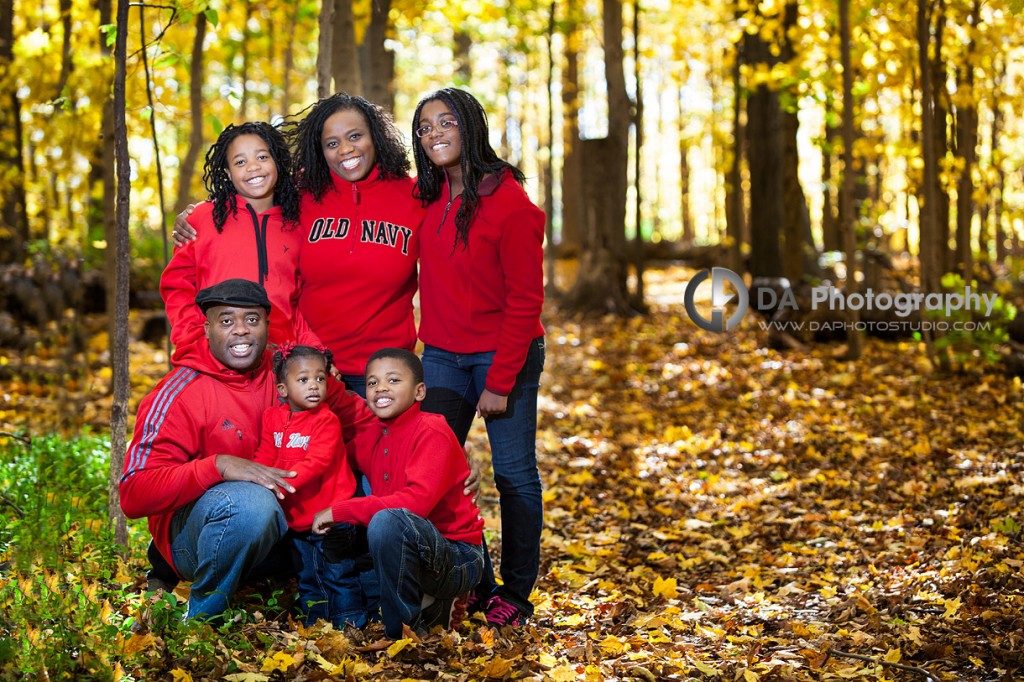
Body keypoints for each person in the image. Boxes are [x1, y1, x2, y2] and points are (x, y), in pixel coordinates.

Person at [120, 279, 371, 621]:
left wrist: (431, 445)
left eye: (252, 320)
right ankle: (203, 619)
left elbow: (365, 422)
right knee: (251, 502)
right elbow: (133, 494)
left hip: (290, 524)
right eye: (226, 321)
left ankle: (369, 600)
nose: (241, 331)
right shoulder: (178, 393)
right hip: (198, 537)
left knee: (371, 488)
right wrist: (218, 466)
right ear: (206, 328)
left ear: (267, 325)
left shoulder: (289, 372)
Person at [173, 94, 423, 397]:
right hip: (302, 368)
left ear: (376, 136)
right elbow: (251, 203)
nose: (345, 149)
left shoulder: (414, 196)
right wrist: (195, 215)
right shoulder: (303, 196)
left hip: (383, 369)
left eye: (355, 136)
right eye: (332, 143)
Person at [411, 88, 546, 627]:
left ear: (470, 127)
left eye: (446, 122)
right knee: (434, 470)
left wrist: (500, 379)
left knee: (514, 476)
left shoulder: (510, 203)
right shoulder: (427, 196)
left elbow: (525, 301)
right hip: (442, 355)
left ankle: (515, 593)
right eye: (424, 127)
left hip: (503, 354)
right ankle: (476, 581)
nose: (434, 133)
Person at [312, 348, 484, 639]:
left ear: (419, 392)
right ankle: (430, 606)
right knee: (375, 529)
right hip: (418, 550)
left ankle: (400, 636)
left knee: (386, 521)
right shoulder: (371, 439)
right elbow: (332, 457)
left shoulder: (433, 430)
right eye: (372, 382)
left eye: (393, 380)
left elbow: (415, 504)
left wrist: (341, 510)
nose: (381, 387)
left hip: (459, 556)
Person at [161, 121, 320, 367]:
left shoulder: (296, 227)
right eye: (240, 162)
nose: (253, 167)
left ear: (277, 161)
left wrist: (312, 351)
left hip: (281, 362)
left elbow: (297, 303)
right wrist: (193, 339)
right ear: (227, 172)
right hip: (214, 359)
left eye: (262, 157)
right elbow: (177, 287)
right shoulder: (202, 218)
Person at [252, 343, 365, 627]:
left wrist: (279, 482)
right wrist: (257, 477)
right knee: (307, 573)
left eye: (320, 378)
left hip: (332, 513)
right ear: (282, 390)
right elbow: (265, 454)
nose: (314, 386)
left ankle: (349, 624)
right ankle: (315, 623)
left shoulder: (326, 420)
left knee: (338, 572)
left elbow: (317, 462)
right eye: (303, 380)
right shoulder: (272, 418)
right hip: (298, 517)